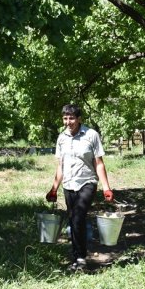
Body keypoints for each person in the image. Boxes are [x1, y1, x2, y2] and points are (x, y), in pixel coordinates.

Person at [46, 104, 114, 271]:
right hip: (68, 184)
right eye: (65, 118)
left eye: (71, 118)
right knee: (73, 220)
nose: (68, 121)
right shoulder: (61, 138)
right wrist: (54, 188)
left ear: (79, 119)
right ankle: (76, 257)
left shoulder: (91, 135)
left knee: (78, 217)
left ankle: (81, 258)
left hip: (87, 182)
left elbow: (99, 164)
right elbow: (60, 165)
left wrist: (106, 188)